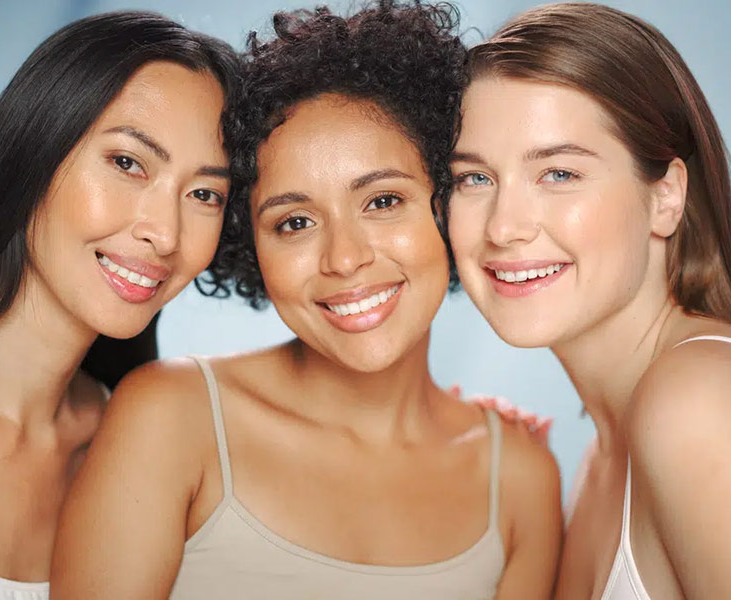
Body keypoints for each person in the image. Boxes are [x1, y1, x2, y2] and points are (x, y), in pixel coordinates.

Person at [51, 2, 561, 598]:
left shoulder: (522, 479)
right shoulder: (169, 418)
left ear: (449, 208)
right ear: (251, 246)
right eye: (294, 222)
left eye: (382, 202)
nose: (344, 259)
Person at [447, 3, 731, 598]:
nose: (504, 226)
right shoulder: (602, 449)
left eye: (559, 174)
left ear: (666, 196)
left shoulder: (698, 402)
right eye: (474, 179)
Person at [0, 11, 240, 599]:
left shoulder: (143, 454)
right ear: (33, 149)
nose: (165, 233)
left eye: (205, 193)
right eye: (128, 163)